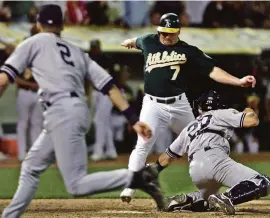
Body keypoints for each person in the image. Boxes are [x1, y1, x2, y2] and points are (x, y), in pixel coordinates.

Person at [0, 5, 164, 218]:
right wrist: (133, 118)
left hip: (61, 111)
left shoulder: (32, 42)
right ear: (62, 25)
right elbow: (109, 86)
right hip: (73, 110)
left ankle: (138, 177)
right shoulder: (77, 51)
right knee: (31, 167)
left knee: (76, 184)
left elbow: (4, 78)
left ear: (38, 24)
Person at [120, 12, 256, 202]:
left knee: (198, 142)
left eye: (171, 33)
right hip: (152, 104)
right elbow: (137, 41)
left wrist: (239, 81)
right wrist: (129, 41)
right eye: (164, 33)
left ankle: (208, 189)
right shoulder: (148, 41)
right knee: (142, 145)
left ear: (178, 32)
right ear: (159, 30)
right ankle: (130, 186)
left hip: (179, 104)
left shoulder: (188, 50)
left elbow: (213, 71)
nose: (167, 37)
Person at [154, 90, 270, 215]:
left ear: (200, 106)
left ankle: (191, 199)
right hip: (216, 160)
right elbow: (252, 121)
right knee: (263, 182)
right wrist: (249, 108)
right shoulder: (222, 113)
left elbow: (165, 158)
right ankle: (227, 197)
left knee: (208, 199)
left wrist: (151, 172)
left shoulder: (190, 127)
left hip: (195, 171)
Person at [16, 24, 43, 162]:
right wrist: (32, 84)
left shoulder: (43, 51)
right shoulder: (23, 51)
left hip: (38, 92)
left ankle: (35, 154)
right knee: (23, 123)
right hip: (25, 92)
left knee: (37, 124)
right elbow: (16, 78)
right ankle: (22, 153)